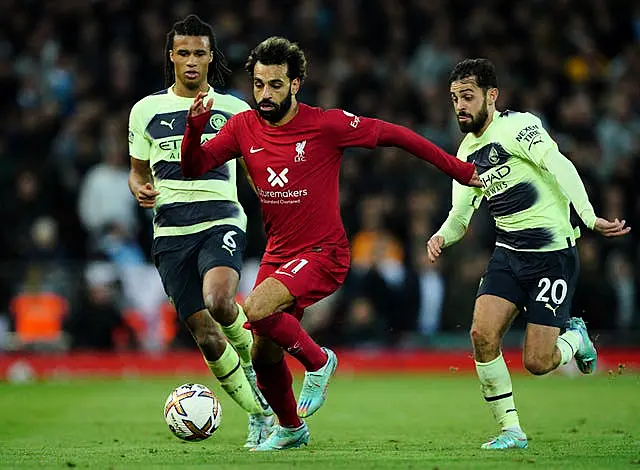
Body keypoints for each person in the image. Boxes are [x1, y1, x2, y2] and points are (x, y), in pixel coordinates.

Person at [180, 36, 481, 451]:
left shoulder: (325, 125)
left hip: (324, 253)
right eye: (259, 84)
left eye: (276, 85)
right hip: (278, 254)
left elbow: (395, 135)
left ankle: (320, 362)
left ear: (296, 84)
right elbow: (194, 165)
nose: (265, 95)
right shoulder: (242, 127)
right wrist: (195, 128)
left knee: (254, 309)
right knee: (264, 351)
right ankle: (291, 429)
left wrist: (457, 169)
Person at [426, 58, 631, 450]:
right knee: (481, 335)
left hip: (552, 256)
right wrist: (440, 237)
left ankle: (576, 337)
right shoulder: (467, 152)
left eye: (467, 97)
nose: (460, 107)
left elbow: (560, 165)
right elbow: (459, 216)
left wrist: (588, 217)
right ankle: (511, 431)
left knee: (538, 362)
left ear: (491, 95)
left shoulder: (519, 127)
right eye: (454, 99)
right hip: (508, 254)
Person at [127, 15, 273, 448]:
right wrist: (140, 189)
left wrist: (281, 206)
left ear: (212, 57)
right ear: (172, 56)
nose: (192, 61)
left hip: (220, 220)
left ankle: (255, 369)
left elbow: (256, 171)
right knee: (207, 337)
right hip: (170, 234)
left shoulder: (236, 109)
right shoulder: (145, 111)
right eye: (184, 53)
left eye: (200, 53)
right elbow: (136, 173)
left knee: (220, 301)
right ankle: (260, 414)